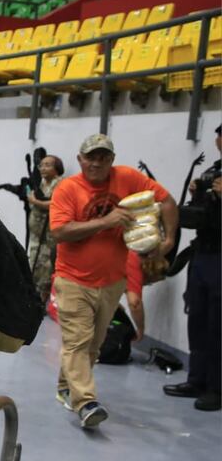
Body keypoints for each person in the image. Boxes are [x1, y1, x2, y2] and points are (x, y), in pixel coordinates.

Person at [49, 133, 176, 428]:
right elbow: (60, 231)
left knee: (93, 345)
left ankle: (66, 387)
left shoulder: (127, 178)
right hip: (73, 280)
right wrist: (106, 222)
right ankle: (86, 403)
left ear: (112, 160)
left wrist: (168, 241)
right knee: (78, 341)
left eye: (103, 157)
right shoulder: (68, 189)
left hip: (111, 281)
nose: (96, 163)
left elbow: (166, 201)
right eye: (90, 157)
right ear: (80, 159)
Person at [164, 124, 221, 411]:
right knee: (197, 318)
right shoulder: (213, 172)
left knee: (217, 324)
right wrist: (198, 194)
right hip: (203, 254)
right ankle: (196, 379)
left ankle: (216, 387)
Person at [26, 154, 66, 304]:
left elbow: (55, 204)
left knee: (46, 271)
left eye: (47, 165)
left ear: (57, 168)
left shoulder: (61, 184)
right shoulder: (41, 184)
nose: (43, 168)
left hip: (49, 237)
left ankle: (43, 302)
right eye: (41, 165)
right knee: (33, 267)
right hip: (36, 236)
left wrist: (35, 201)